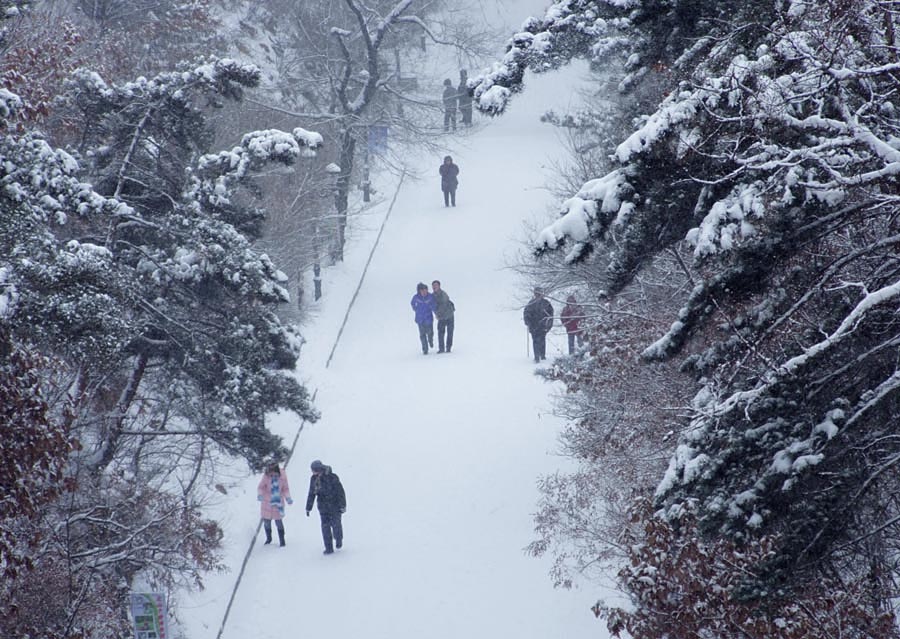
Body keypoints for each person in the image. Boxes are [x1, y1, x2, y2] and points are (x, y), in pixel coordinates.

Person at [305, 459, 346, 555]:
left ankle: (338, 539)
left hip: (335, 505)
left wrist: (343, 505)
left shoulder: (332, 477)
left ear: (320, 469)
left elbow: (340, 492)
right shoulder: (313, 479)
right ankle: (328, 548)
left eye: (315, 470)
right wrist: (308, 507)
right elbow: (311, 493)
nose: (314, 473)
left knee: (336, 525)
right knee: (325, 527)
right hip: (323, 507)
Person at [257, 462, 293, 547]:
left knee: (279, 522)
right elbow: (260, 487)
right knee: (267, 522)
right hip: (267, 502)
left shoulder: (283, 477)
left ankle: (282, 540)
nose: (271, 475)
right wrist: (260, 494)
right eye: (270, 473)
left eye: (273, 473)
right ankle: (269, 538)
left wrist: (288, 498)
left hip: (278, 502)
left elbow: (285, 489)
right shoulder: (266, 477)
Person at [523, 287, 554, 362]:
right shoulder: (531, 303)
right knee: (535, 341)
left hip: (543, 325)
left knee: (542, 340)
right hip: (533, 325)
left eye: (539, 293)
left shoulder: (546, 303)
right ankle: (537, 356)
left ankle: (542, 355)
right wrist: (527, 321)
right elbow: (526, 313)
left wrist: (549, 324)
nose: (538, 295)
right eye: (536, 293)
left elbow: (551, 314)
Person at [410, 282, 436, 354]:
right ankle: (425, 349)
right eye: (422, 291)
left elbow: (434, 304)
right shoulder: (416, 297)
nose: (424, 292)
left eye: (426, 290)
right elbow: (412, 303)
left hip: (428, 319)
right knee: (422, 334)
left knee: (430, 332)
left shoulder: (430, 296)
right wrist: (415, 309)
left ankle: (430, 340)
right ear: (419, 291)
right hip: (420, 319)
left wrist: (433, 309)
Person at [431, 279, 456, 353]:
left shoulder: (443, 294)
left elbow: (443, 305)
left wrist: (437, 314)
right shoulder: (432, 296)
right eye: (433, 286)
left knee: (450, 332)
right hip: (441, 317)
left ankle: (448, 347)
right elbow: (432, 306)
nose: (434, 287)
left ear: (439, 286)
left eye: (436, 285)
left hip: (449, 315)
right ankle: (441, 348)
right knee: (440, 333)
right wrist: (436, 313)